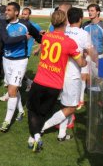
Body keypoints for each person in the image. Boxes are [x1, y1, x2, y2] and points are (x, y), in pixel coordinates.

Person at [26, 10, 86, 152]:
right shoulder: (69, 42)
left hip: (40, 80)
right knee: (43, 113)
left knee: (33, 110)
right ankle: (36, 136)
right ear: (65, 22)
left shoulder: (46, 37)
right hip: (54, 84)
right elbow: (81, 63)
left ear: (52, 22)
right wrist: (85, 60)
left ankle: (34, 136)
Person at [40, 7, 93, 141]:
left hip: (57, 73)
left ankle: (61, 134)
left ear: (68, 19)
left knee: (65, 105)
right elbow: (90, 53)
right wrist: (91, 61)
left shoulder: (61, 31)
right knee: (71, 107)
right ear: (81, 19)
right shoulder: (83, 34)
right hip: (72, 75)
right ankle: (43, 126)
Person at [0, 2, 42, 132]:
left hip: (20, 61)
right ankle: (21, 111)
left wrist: (41, 39)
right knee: (12, 88)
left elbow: (38, 36)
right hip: (6, 60)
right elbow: (6, 40)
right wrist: (24, 37)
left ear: (16, 12)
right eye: (6, 10)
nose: (6, 12)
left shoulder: (26, 24)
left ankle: (6, 121)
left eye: (9, 10)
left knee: (12, 90)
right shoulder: (2, 24)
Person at [20, 7, 41, 92]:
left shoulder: (35, 26)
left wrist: (38, 49)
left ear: (29, 15)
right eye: (23, 13)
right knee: (19, 72)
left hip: (26, 52)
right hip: (18, 50)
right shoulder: (19, 24)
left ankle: (11, 92)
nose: (23, 16)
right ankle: (29, 82)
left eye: (25, 14)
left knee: (19, 71)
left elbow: (41, 39)